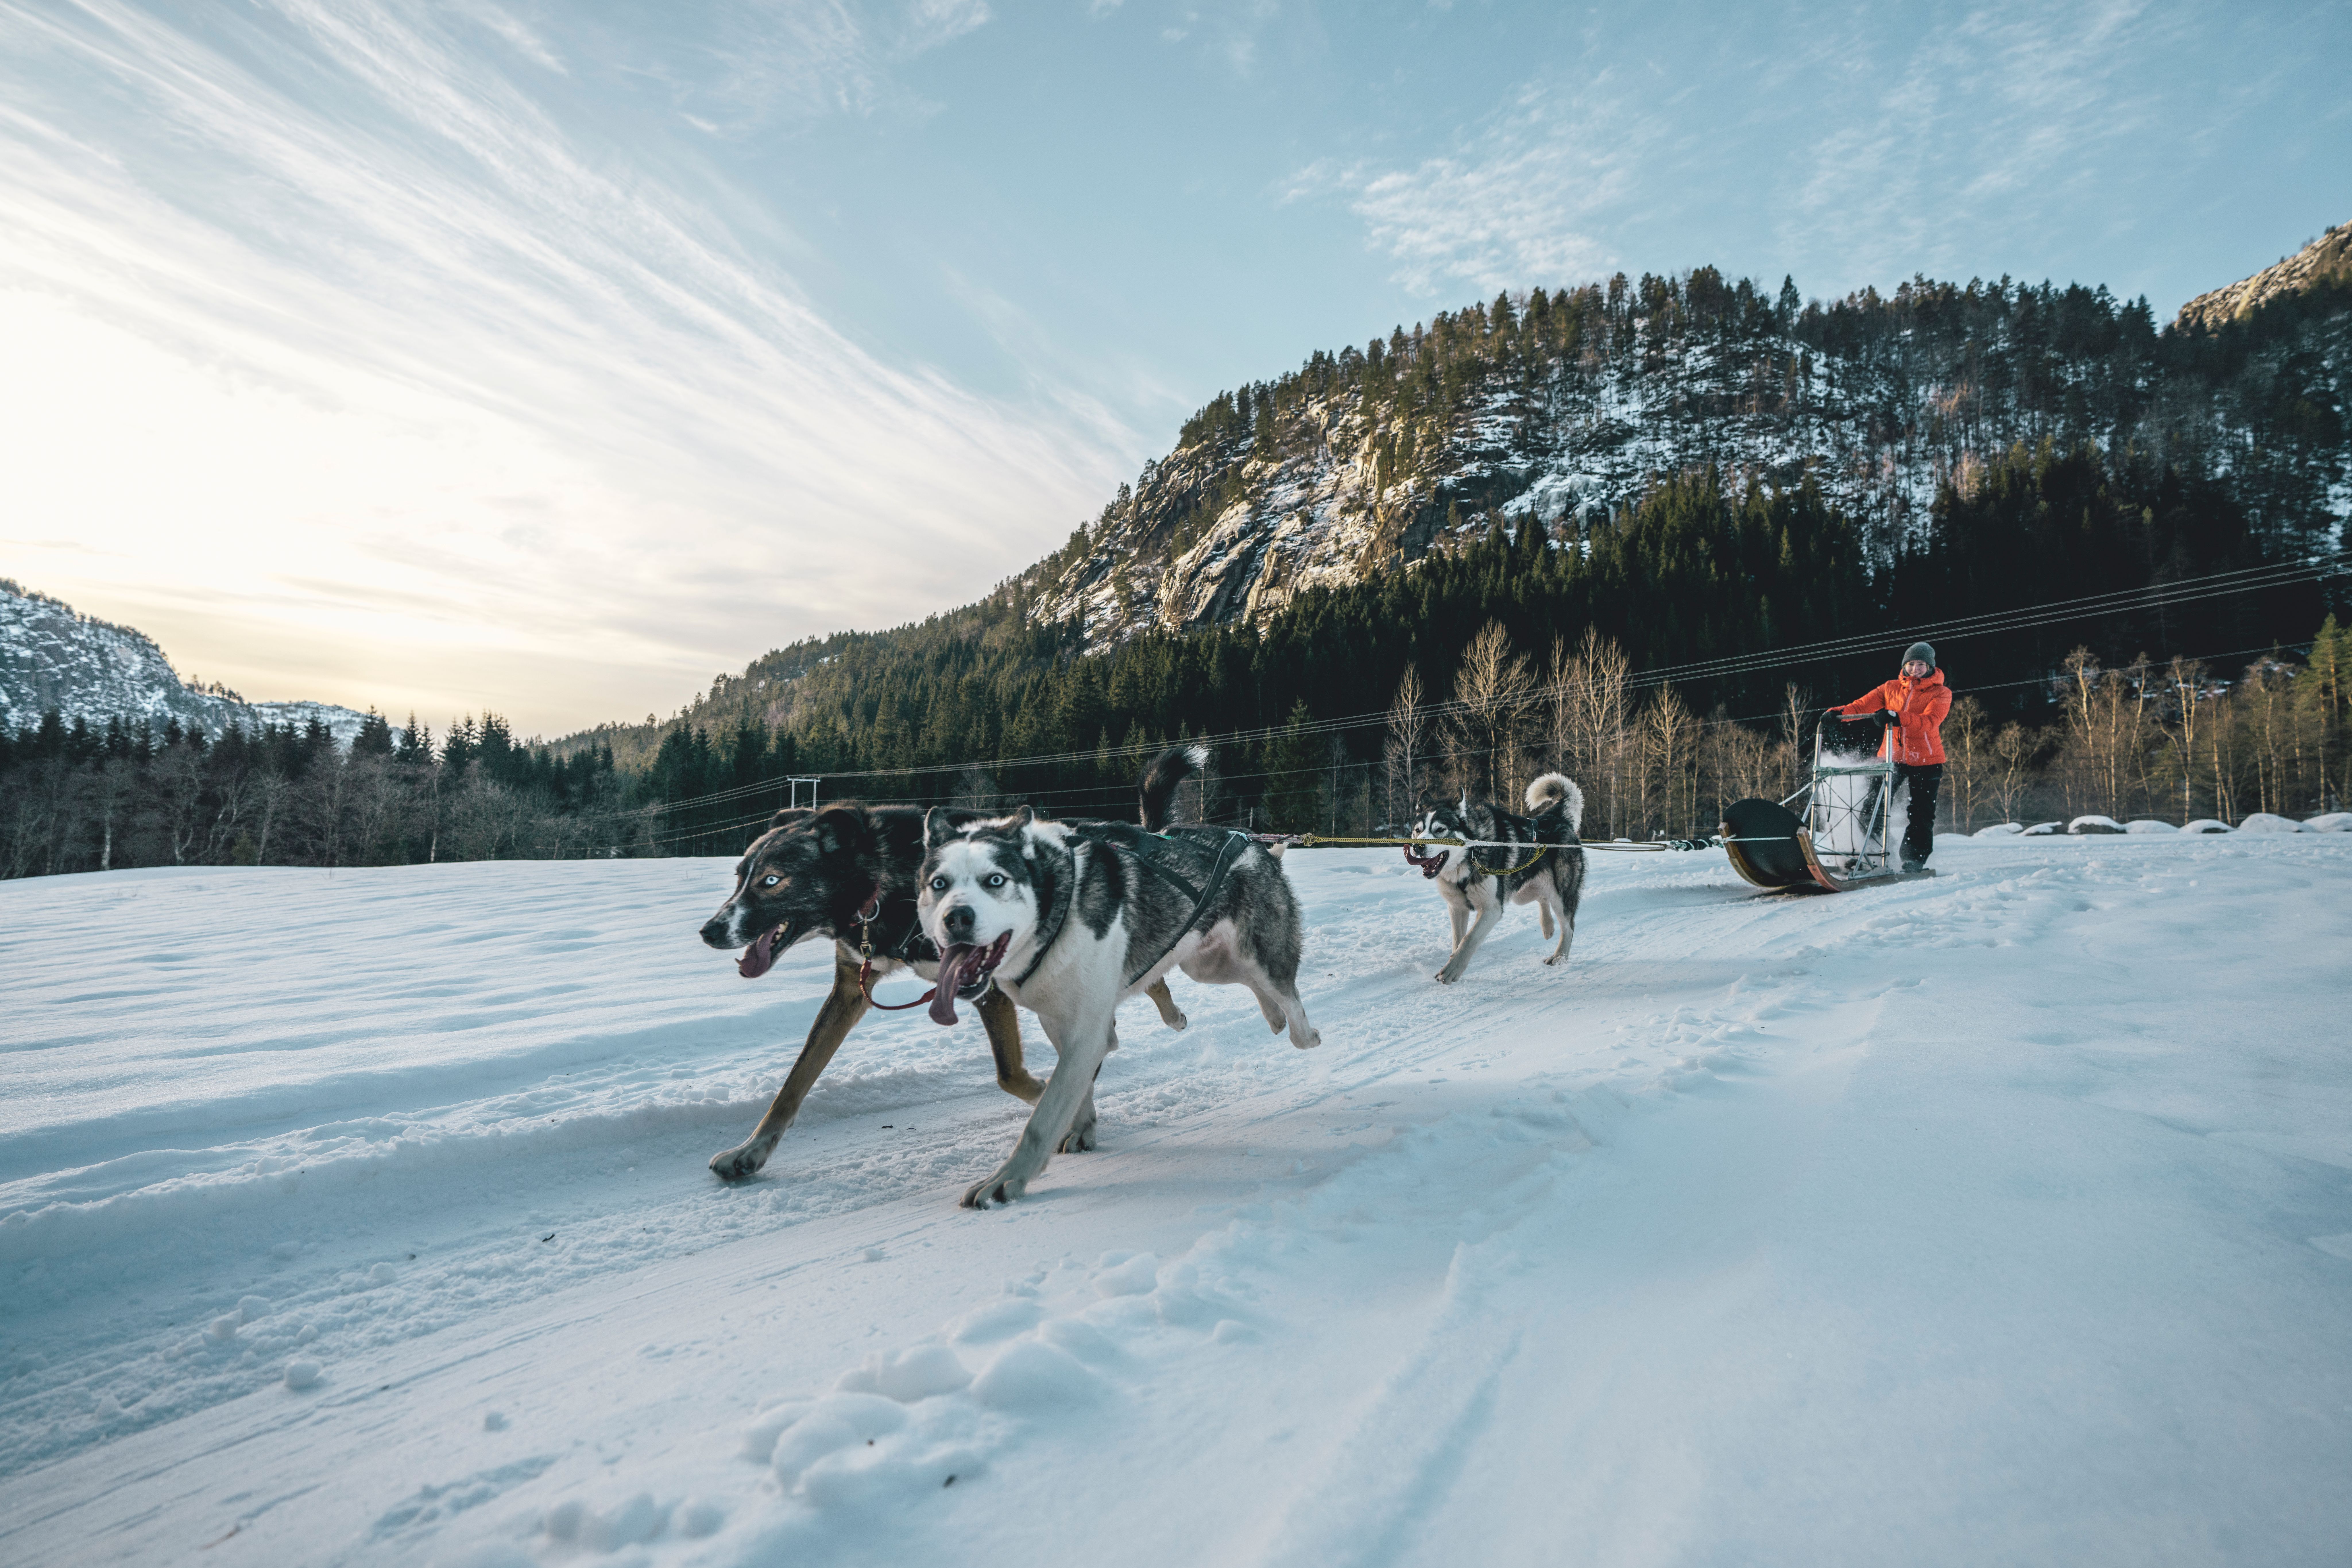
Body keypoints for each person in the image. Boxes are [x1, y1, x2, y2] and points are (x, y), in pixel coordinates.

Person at [1832, 641, 1951, 873]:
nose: (1916, 669)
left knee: (1920, 814)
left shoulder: (1941, 692)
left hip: (1927, 762)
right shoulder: (1890, 688)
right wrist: (1836, 714)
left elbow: (1930, 722)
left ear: (1930, 667)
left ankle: (1913, 860)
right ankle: (1873, 853)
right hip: (1891, 759)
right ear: (1905, 665)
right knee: (1872, 807)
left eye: (1921, 664)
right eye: (1911, 664)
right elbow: (1859, 706)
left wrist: (1898, 716)